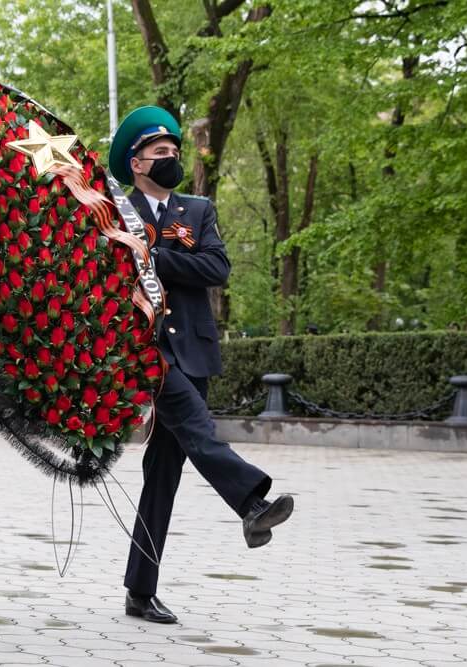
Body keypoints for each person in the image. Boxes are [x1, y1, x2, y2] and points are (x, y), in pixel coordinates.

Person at [108, 107, 294, 624]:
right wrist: (140, 253)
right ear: (136, 163)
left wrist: (152, 256)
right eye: (160, 154)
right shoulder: (113, 212)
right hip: (145, 351)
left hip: (192, 348)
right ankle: (252, 504)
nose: (171, 160)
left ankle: (140, 591)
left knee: (163, 473)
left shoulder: (197, 209)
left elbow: (216, 266)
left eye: (174, 152)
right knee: (198, 427)